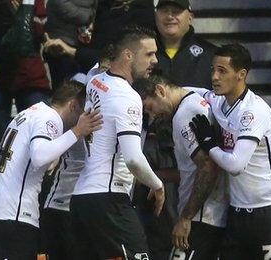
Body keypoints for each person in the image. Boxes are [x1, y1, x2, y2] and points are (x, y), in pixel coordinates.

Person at [68, 25, 165, 259]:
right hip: (109, 198)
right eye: (149, 54)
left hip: (81, 198)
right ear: (128, 55)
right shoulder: (127, 97)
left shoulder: (96, 81)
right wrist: (158, 185)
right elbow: (132, 158)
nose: (155, 60)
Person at [0, 81, 102, 259]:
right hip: (16, 216)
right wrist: (77, 131)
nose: (84, 118)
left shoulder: (28, 113)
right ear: (73, 105)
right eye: (83, 112)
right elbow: (39, 156)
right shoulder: (49, 118)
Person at [188, 44, 271, 260]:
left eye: (222, 71)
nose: (214, 76)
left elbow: (236, 165)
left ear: (241, 74)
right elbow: (192, 91)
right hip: (237, 210)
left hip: (267, 209)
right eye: (213, 69)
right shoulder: (219, 101)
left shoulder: (253, 111)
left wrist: (209, 144)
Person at [133, 75, 228, 259]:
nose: (152, 116)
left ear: (161, 90)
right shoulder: (195, 96)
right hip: (210, 213)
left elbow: (208, 168)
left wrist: (185, 218)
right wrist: (160, 177)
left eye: (150, 108)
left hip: (200, 217)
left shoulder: (184, 113)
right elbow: (193, 168)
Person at [154, 0, 216, 89]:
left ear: (190, 18)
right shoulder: (142, 52)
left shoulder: (211, 54)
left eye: (176, 11)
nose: (169, 16)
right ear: (156, 16)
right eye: (164, 11)